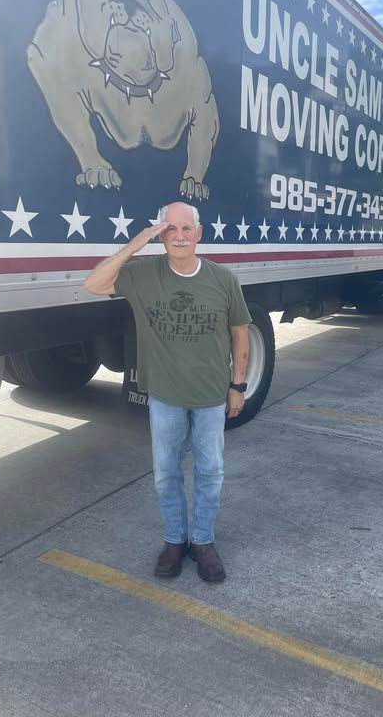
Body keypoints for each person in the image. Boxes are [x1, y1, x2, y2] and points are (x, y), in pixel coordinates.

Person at [85, 202, 250, 583]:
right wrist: (136, 243)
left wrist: (237, 385)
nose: (178, 236)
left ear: (199, 233)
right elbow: (94, 284)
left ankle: (203, 543)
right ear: (161, 234)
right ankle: (175, 541)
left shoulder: (223, 279)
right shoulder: (142, 275)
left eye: (186, 229)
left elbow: (240, 333)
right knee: (166, 473)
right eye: (169, 229)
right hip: (164, 396)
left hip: (210, 396)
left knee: (210, 471)